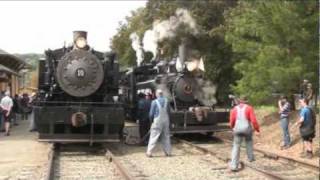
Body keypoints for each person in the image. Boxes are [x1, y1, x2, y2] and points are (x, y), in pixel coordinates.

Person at [229, 95, 260, 172]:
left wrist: (232, 127)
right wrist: (257, 130)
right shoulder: (249, 108)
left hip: (237, 130)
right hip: (247, 130)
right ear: (247, 101)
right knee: (249, 142)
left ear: (239, 101)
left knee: (236, 146)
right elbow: (253, 121)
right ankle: (251, 158)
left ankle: (233, 165)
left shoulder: (234, 109)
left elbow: (232, 121)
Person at [146, 89, 171, 157]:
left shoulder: (154, 102)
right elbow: (169, 112)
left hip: (157, 121)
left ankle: (149, 152)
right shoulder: (167, 101)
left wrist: (151, 121)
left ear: (157, 94)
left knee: (154, 136)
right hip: (166, 121)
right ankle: (168, 152)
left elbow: (151, 114)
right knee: (166, 136)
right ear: (162, 94)